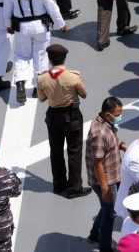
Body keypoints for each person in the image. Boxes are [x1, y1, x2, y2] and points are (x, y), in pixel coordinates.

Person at [5, 0, 67, 103]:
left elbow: (7, 8)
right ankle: (36, 89)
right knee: (41, 56)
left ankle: (20, 84)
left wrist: (8, 24)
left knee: (21, 55)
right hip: (41, 27)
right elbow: (52, 7)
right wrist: (61, 24)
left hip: (22, 27)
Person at [36, 43, 92, 198]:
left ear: (49, 59)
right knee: (74, 151)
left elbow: (41, 98)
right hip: (72, 115)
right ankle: (74, 188)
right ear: (64, 58)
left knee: (55, 151)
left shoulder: (42, 78)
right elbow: (84, 94)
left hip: (53, 116)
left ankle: (58, 184)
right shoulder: (74, 76)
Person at [86, 96, 128, 252]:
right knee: (110, 214)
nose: (119, 117)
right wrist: (104, 188)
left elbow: (107, 147)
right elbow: (97, 162)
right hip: (106, 181)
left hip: (113, 175)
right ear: (107, 113)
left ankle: (94, 235)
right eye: (117, 114)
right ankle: (105, 247)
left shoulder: (107, 124)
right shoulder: (99, 132)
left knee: (106, 208)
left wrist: (120, 145)